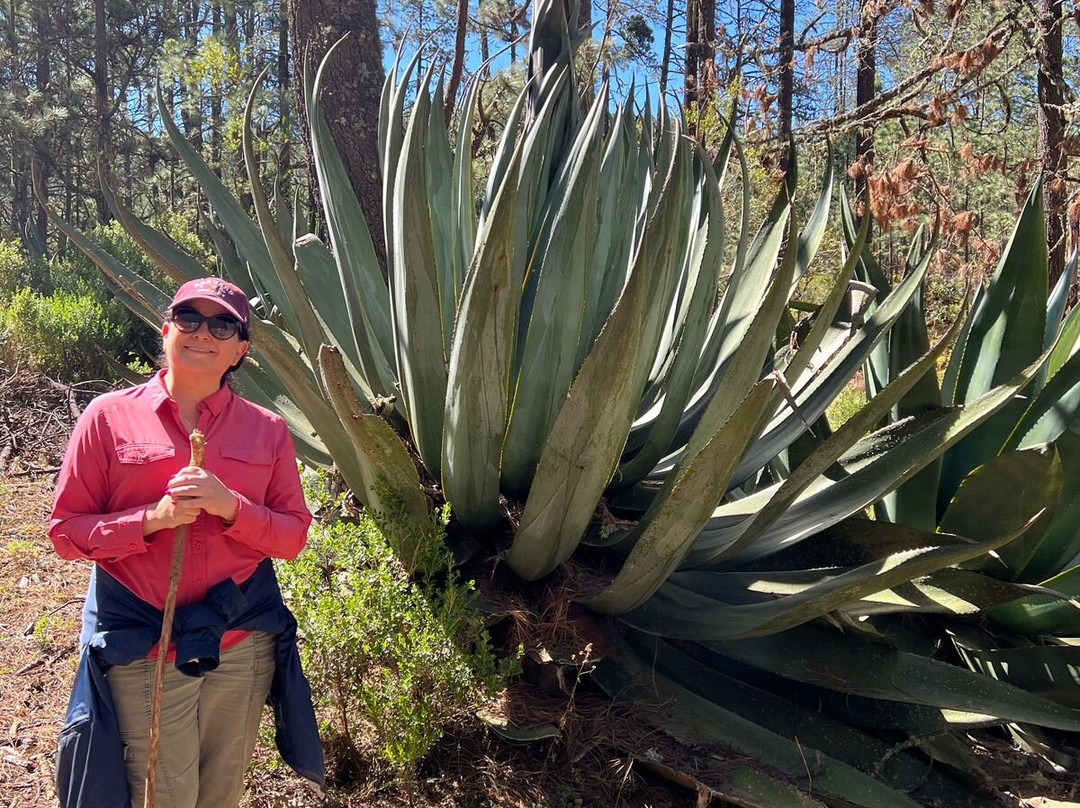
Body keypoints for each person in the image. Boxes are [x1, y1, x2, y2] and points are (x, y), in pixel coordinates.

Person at [49, 277, 323, 808]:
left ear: (241, 348)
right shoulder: (107, 418)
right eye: (189, 319)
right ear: (166, 329)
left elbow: (292, 537)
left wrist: (230, 507)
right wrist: (153, 518)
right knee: (163, 795)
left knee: (221, 791)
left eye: (223, 324)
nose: (203, 333)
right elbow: (66, 532)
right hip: (146, 647)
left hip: (240, 644)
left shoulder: (267, 430)